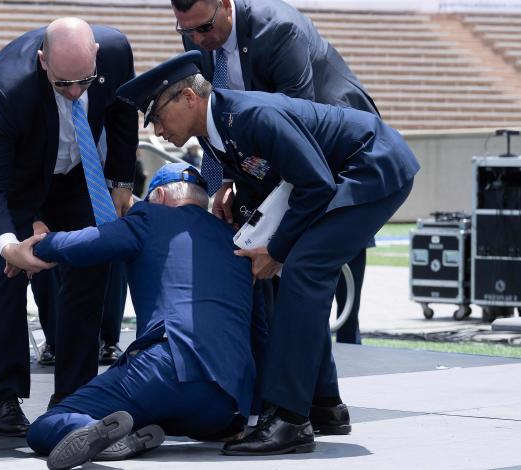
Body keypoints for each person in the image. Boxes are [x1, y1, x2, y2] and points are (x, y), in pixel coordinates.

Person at [116, 51, 419, 455]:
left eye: (157, 116)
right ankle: (324, 404)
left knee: (304, 269)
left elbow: (315, 185)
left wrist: (275, 249)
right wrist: (241, 211)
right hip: (343, 173)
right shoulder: (216, 129)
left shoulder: (250, 117)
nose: (157, 131)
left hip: (371, 167)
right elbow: (267, 177)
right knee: (297, 273)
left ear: (188, 98)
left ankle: (291, 421)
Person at [0, 18, 138, 437]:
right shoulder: (7, 89)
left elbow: (122, 110)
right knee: (11, 273)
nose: (74, 92)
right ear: (42, 60)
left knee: (91, 261)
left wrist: (122, 180)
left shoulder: (117, 52)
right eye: (63, 82)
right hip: (9, 177)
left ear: (97, 59)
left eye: (84, 81)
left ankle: (74, 395)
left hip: (72, 173)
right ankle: (5, 398)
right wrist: (9, 243)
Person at [24, 162, 257, 469]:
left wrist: (39, 246)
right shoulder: (236, 241)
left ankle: (91, 430)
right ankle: (131, 432)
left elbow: (88, 243)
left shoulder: (149, 216)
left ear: (159, 194)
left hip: (165, 366)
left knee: (45, 426)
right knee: (163, 412)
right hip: (224, 403)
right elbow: (259, 330)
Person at [171, 0, 379, 345]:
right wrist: (226, 179)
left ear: (225, 5)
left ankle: (345, 331)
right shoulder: (198, 32)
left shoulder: (278, 28)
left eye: (204, 28)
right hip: (264, 134)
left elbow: (298, 119)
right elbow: (218, 111)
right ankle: (284, 338)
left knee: (331, 222)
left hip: (333, 130)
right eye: (186, 30)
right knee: (261, 222)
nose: (196, 38)